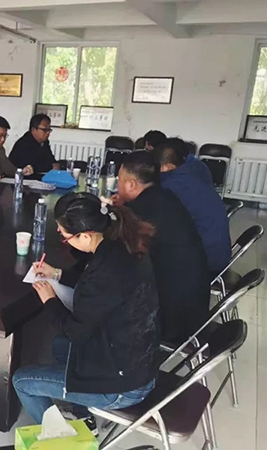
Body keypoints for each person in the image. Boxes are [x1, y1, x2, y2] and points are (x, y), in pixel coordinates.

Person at [12, 193, 159, 426]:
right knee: (60, 346)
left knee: (22, 381)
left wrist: (50, 299)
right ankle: (83, 416)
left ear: (86, 235)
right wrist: (56, 274)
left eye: (64, 235)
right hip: (135, 361)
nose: (62, 237)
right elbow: (95, 288)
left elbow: (74, 331)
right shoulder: (119, 246)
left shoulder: (106, 270)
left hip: (122, 386)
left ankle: (60, 437)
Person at [113, 151, 210, 342]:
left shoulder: (141, 212)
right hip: (194, 303)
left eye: (119, 180)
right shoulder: (164, 197)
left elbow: (118, 252)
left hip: (172, 317)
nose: (118, 184)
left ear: (131, 184)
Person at [154, 138, 231, 276]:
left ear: (168, 167)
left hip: (206, 263)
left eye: (156, 168)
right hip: (217, 253)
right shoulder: (192, 173)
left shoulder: (174, 185)